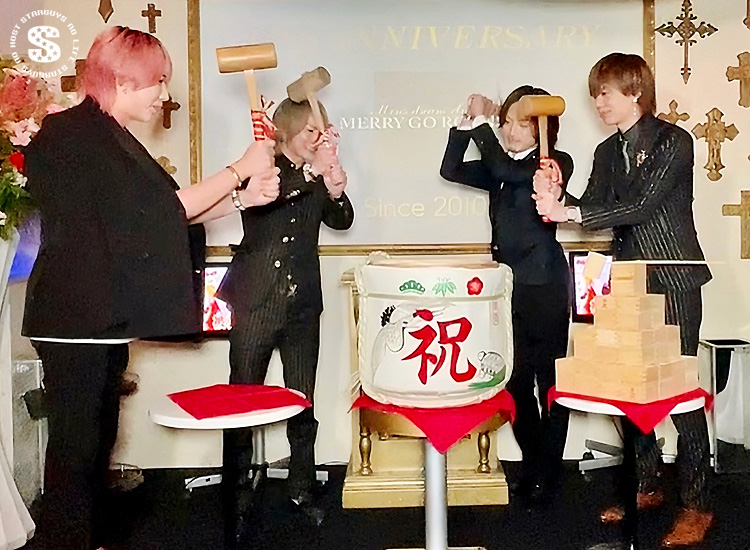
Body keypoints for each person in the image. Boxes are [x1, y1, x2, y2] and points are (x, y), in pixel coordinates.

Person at [21, 26, 280, 550]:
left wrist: (242, 201)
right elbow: (157, 212)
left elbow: (163, 218)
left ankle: (86, 540)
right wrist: (238, 170)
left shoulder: (111, 137)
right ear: (122, 80)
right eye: (157, 81)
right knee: (76, 452)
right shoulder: (73, 135)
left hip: (102, 319)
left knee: (96, 447)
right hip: (74, 317)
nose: (164, 94)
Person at [535, 52, 713, 547]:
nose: (599, 102)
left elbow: (640, 206)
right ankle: (647, 485)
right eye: (595, 94)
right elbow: (595, 207)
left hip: (674, 277)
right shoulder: (606, 151)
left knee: (680, 393)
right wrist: (558, 195)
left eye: (606, 92)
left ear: (635, 91)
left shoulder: (674, 141)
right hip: (625, 280)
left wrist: (569, 212)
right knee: (627, 387)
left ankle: (697, 504)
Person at [216, 97, 354, 544]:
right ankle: (236, 490)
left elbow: (342, 220)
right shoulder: (263, 167)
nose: (317, 139)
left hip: (303, 304)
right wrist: (315, 175)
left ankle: (301, 486)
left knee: (302, 399)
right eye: (310, 131)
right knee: (241, 398)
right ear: (287, 133)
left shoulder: (316, 175)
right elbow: (271, 198)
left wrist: (335, 189)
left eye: (321, 131)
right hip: (256, 300)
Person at [439, 86, 572, 504]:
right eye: (507, 122)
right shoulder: (500, 168)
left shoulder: (551, 162)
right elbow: (450, 169)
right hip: (508, 287)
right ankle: (535, 463)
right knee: (514, 382)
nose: (511, 131)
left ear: (542, 129)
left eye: (521, 124)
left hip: (545, 285)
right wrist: (467, 122)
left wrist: (484, 122)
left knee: (550, 381)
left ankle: (549, 472)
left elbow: (506, 168)